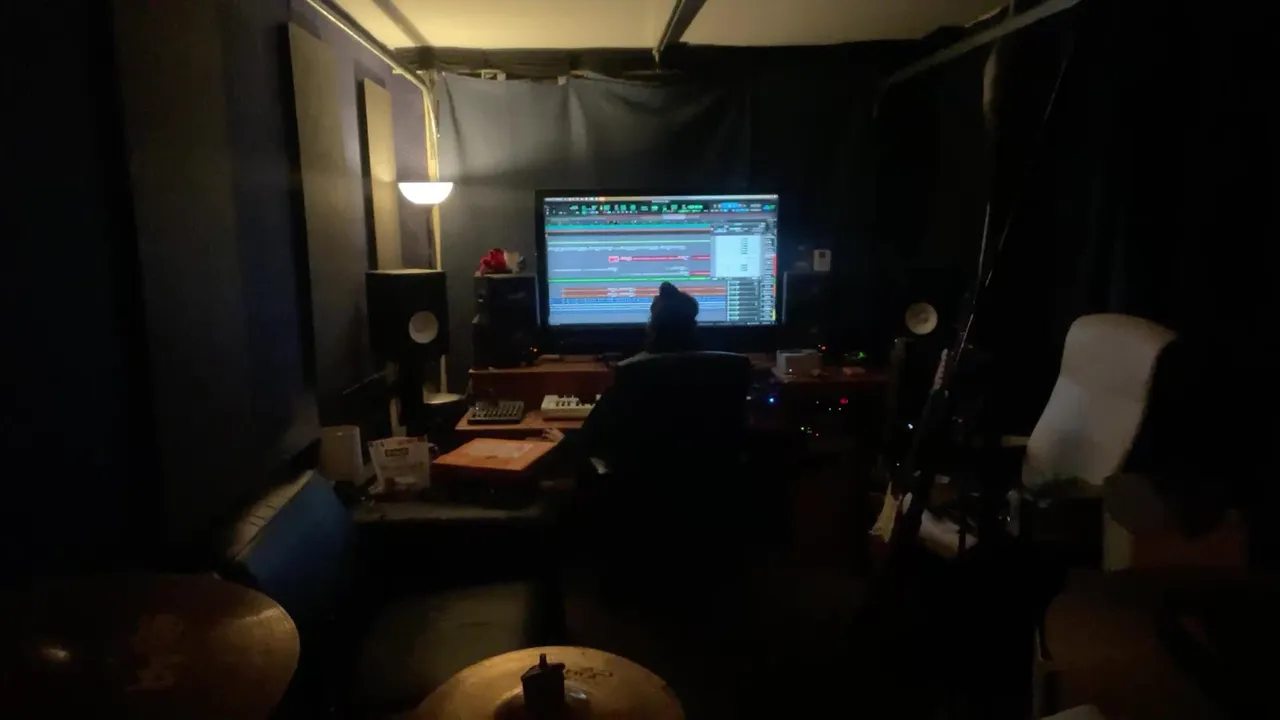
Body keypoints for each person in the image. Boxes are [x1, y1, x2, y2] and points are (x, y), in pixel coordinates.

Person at [577, 282, 699, 463]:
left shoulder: (633, 372)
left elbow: (593, 437)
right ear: (694, 326)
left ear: (653, 328)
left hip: (640, 476)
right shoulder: (719, 368)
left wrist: (565, 441)